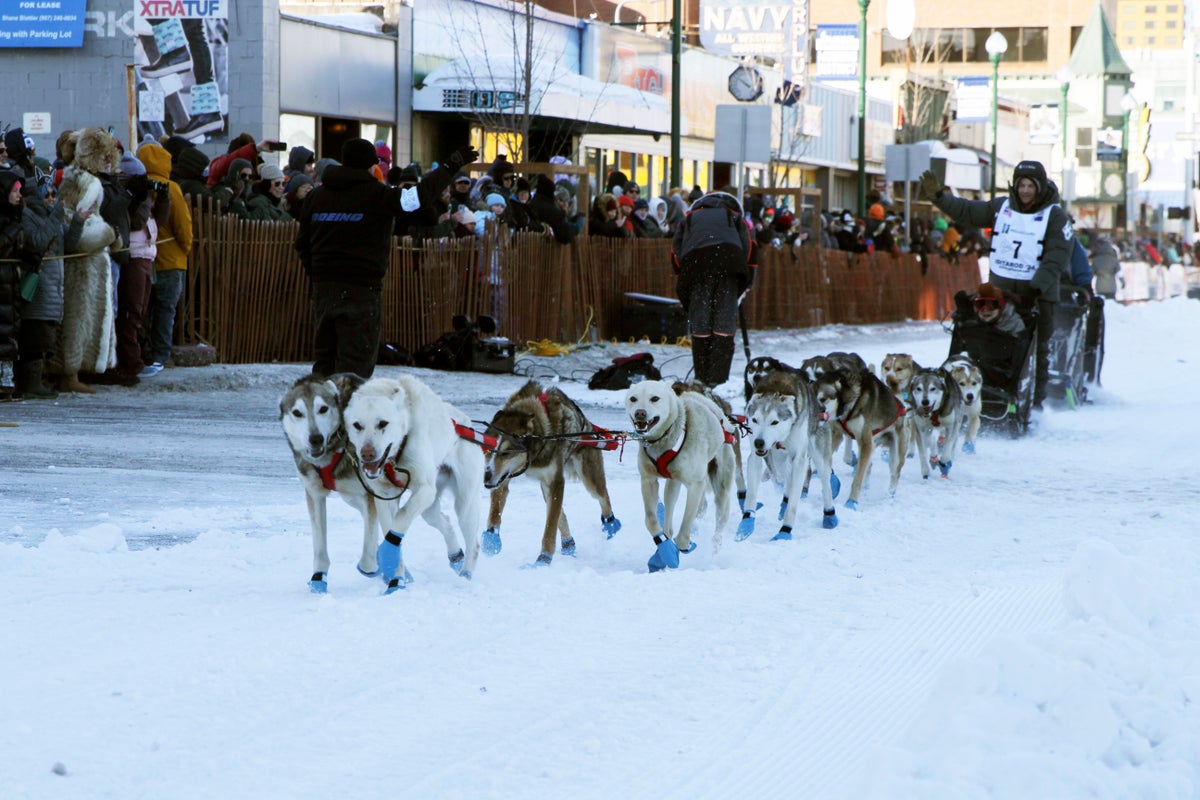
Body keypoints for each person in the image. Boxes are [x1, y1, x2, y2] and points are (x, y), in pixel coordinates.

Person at [295, 138, 478, 379]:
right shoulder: (378, 195)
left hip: (323, 289)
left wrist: (319, 273)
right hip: (361, 290)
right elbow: (418, 197)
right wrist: (448, 168)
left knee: (325, 362)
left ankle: (318, 411)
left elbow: (302, 244)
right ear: (372, 166)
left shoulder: (315, 197)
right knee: (354, 368)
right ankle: (346, 414)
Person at [920, 159, 1072, 409]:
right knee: (991, 340)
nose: (1024, 190)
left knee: (1037, 348)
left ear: (1040, 186)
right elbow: (967, 210)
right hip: (1001, 290)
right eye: (1021, 185)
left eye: (1030, 186)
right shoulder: (1002, 206)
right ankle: (984, 395)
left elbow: (1057, 255)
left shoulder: (1055, 216)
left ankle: (1035, 403)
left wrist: (1038, 286)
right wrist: (939, 196)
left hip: (1038, 294)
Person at [671, 191, 756, 387]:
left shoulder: (689, 218)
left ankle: (702, 377)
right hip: (729, 263)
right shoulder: (734, 216)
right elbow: (749, 247)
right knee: (723, 323)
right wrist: (745, 280)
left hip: (695, 266)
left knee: (700, 322)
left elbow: (676, 250)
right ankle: (718, 380)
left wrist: (683, 276)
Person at [138, 140, 194, 378]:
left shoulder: (140, 186)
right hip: (171, 261)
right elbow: (184, 225)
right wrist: (186, 249)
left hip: (144, 257)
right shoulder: (171, 188)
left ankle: (145, 353)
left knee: (144, 309)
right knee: (166, 310)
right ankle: (162, 355)